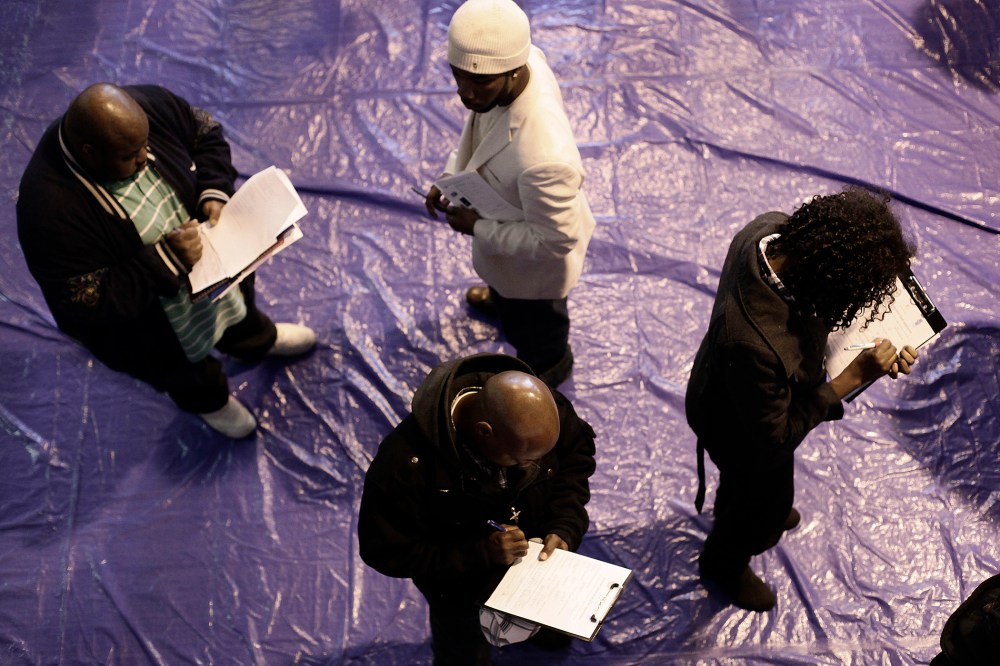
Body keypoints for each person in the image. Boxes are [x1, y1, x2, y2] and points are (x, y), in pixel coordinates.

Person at [17, 83, 316, 438]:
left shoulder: (145, 106)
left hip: (217, 273)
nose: (145, 158)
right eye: (130, 156)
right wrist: (167, 260)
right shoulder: (46, 212)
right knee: (182, 371)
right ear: (90, 154)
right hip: (155, 323)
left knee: (237, 309)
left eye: (145, 144)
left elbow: (205, 133)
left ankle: (256, 341)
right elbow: (85, 305)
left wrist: (214, 190)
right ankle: (211, 402)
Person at [685, 187, 919, 611]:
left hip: (739, 391)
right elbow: (775, 437)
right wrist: (853, 377)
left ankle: (751, 506)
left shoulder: (770, 231)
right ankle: (724, 562)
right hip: (739, 430)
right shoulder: (754, 345)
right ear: (827, 281)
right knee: (759, 508)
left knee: (756, 491)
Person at [358, 353, 597, 665]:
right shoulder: (405, 469)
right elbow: (386, 551)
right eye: (521, 460)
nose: (532, 467)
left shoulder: (542, 411)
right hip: (460, 589)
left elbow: (574, 463)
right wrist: (480, 553)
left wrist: (565, 524)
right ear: (485, 431)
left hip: (536, 568)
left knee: (549, 626)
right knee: (463, 651)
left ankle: (545, 633)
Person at [423, 0, 596, 387]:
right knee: (509, 299)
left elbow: (555, 241)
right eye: (458, 75)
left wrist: (477, 227)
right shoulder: (517, 60)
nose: (465, 93)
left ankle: (547, 370)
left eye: (479, 82)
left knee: (536, 333)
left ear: (512, 71)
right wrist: (450, 176)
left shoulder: (545, 158)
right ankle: (503, 298)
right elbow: (479, 132)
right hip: (511, 256)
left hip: (534, 278)